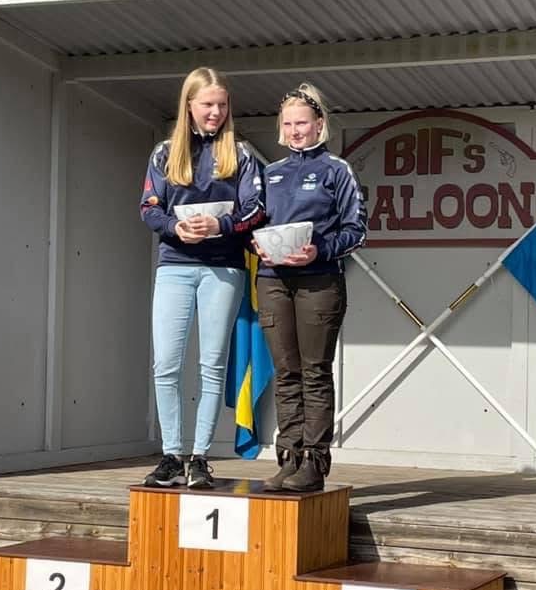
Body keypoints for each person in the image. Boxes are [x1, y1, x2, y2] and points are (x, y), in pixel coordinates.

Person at [139, 67, 264, 489]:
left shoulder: (241, 153)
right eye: (208, 104)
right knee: (166, 364)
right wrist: (175, 227)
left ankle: (200, 458)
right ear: (189, 105)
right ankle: (172, 455)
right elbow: (149, 208)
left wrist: (220, 226)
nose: (215, 112)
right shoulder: (164, 153)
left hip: (223, 267)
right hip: (174, 265)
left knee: (212, 364)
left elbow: (255, 209)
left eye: (222, 105)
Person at [253, 83, 366, 492]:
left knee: (314, 372)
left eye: (302, 123)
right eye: (288, 124)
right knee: (286, 373)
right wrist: (254, 244)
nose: (295, 131)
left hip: (319, 280)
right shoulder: (269, 174)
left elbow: (357, 229)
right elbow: (251, 222)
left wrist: (319, 250)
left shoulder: (337, 170)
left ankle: (314, 464)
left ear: (319, 124)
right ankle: (289, 458)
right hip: (273, 281)